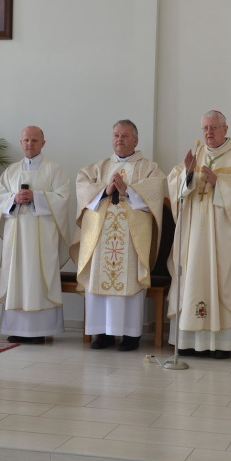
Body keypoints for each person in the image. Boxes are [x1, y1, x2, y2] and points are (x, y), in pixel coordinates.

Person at [167, 110, 231, 359]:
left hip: (225, 236)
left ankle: (222, 344)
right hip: (195, 235)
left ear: (225, 129)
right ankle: (189, 341)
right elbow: (174, 184)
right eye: (205, 128)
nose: (209, 132)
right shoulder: (196, 153)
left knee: (223, 278)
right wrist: (188, 173)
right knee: (193, 276)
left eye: (214, 127)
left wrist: (219, 183)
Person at [70, 120, 166, 352]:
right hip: (101, 238)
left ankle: (130, 336)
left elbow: (156, 192)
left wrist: (127, 191)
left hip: (131, 239)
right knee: (100, 279)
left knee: (129, 281)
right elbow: (82, 186)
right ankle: (102, 334)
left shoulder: (148, 168)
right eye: (116, 135)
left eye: (125, 136)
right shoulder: (99, 167)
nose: (119, 140)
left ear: (135, 140)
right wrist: (106, 190)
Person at [0, 126, 71, 344]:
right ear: (21, 143)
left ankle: (39, 330)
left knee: (38, 279)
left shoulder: (54, 170)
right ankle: (16, 328)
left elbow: (63, 198)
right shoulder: (11, 171)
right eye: (26, 140)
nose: (30, 144)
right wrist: (13, 199)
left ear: (43, 143)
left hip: (42, 241)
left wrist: (36, 197)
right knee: (16, 278)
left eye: (35, 140)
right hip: (16, 239)